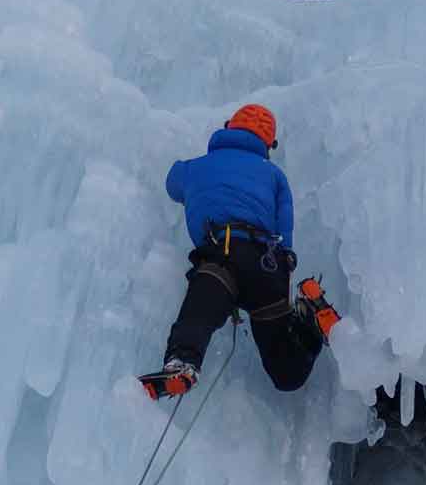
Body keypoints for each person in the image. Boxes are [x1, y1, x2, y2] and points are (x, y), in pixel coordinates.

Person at [140, 104, 339, 399]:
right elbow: (285, 219)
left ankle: (183, 363)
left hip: (222, 258)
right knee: (287, 374)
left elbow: (172, 183)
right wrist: (287, 256)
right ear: (267, 144)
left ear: (228, 127)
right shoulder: (274, 175)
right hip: (267, 268)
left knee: (200, 312)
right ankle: (310, 320)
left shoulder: (196, 167)